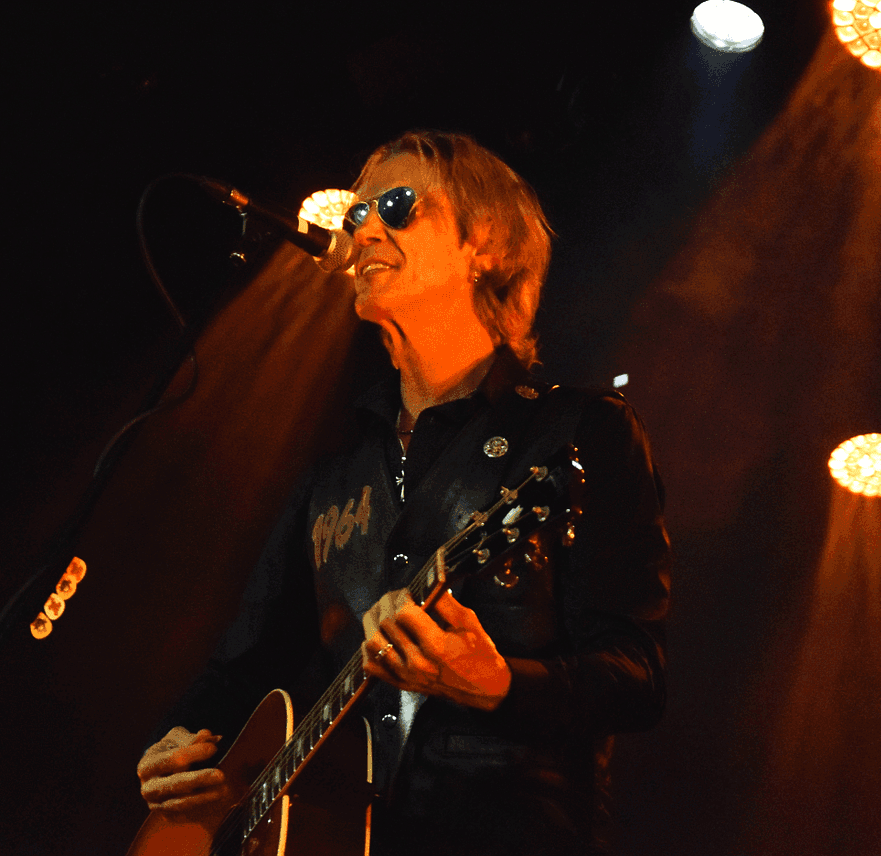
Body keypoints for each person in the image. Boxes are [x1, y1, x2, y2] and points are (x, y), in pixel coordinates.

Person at [136, 131, 672, 856]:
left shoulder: (580, 433)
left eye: (396, 206)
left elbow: (638, 674)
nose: (363, 231)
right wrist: (180, 746)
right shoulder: (334, 466)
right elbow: (241, 668)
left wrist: (501, 682)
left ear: (484, 244)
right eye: (356, 215)